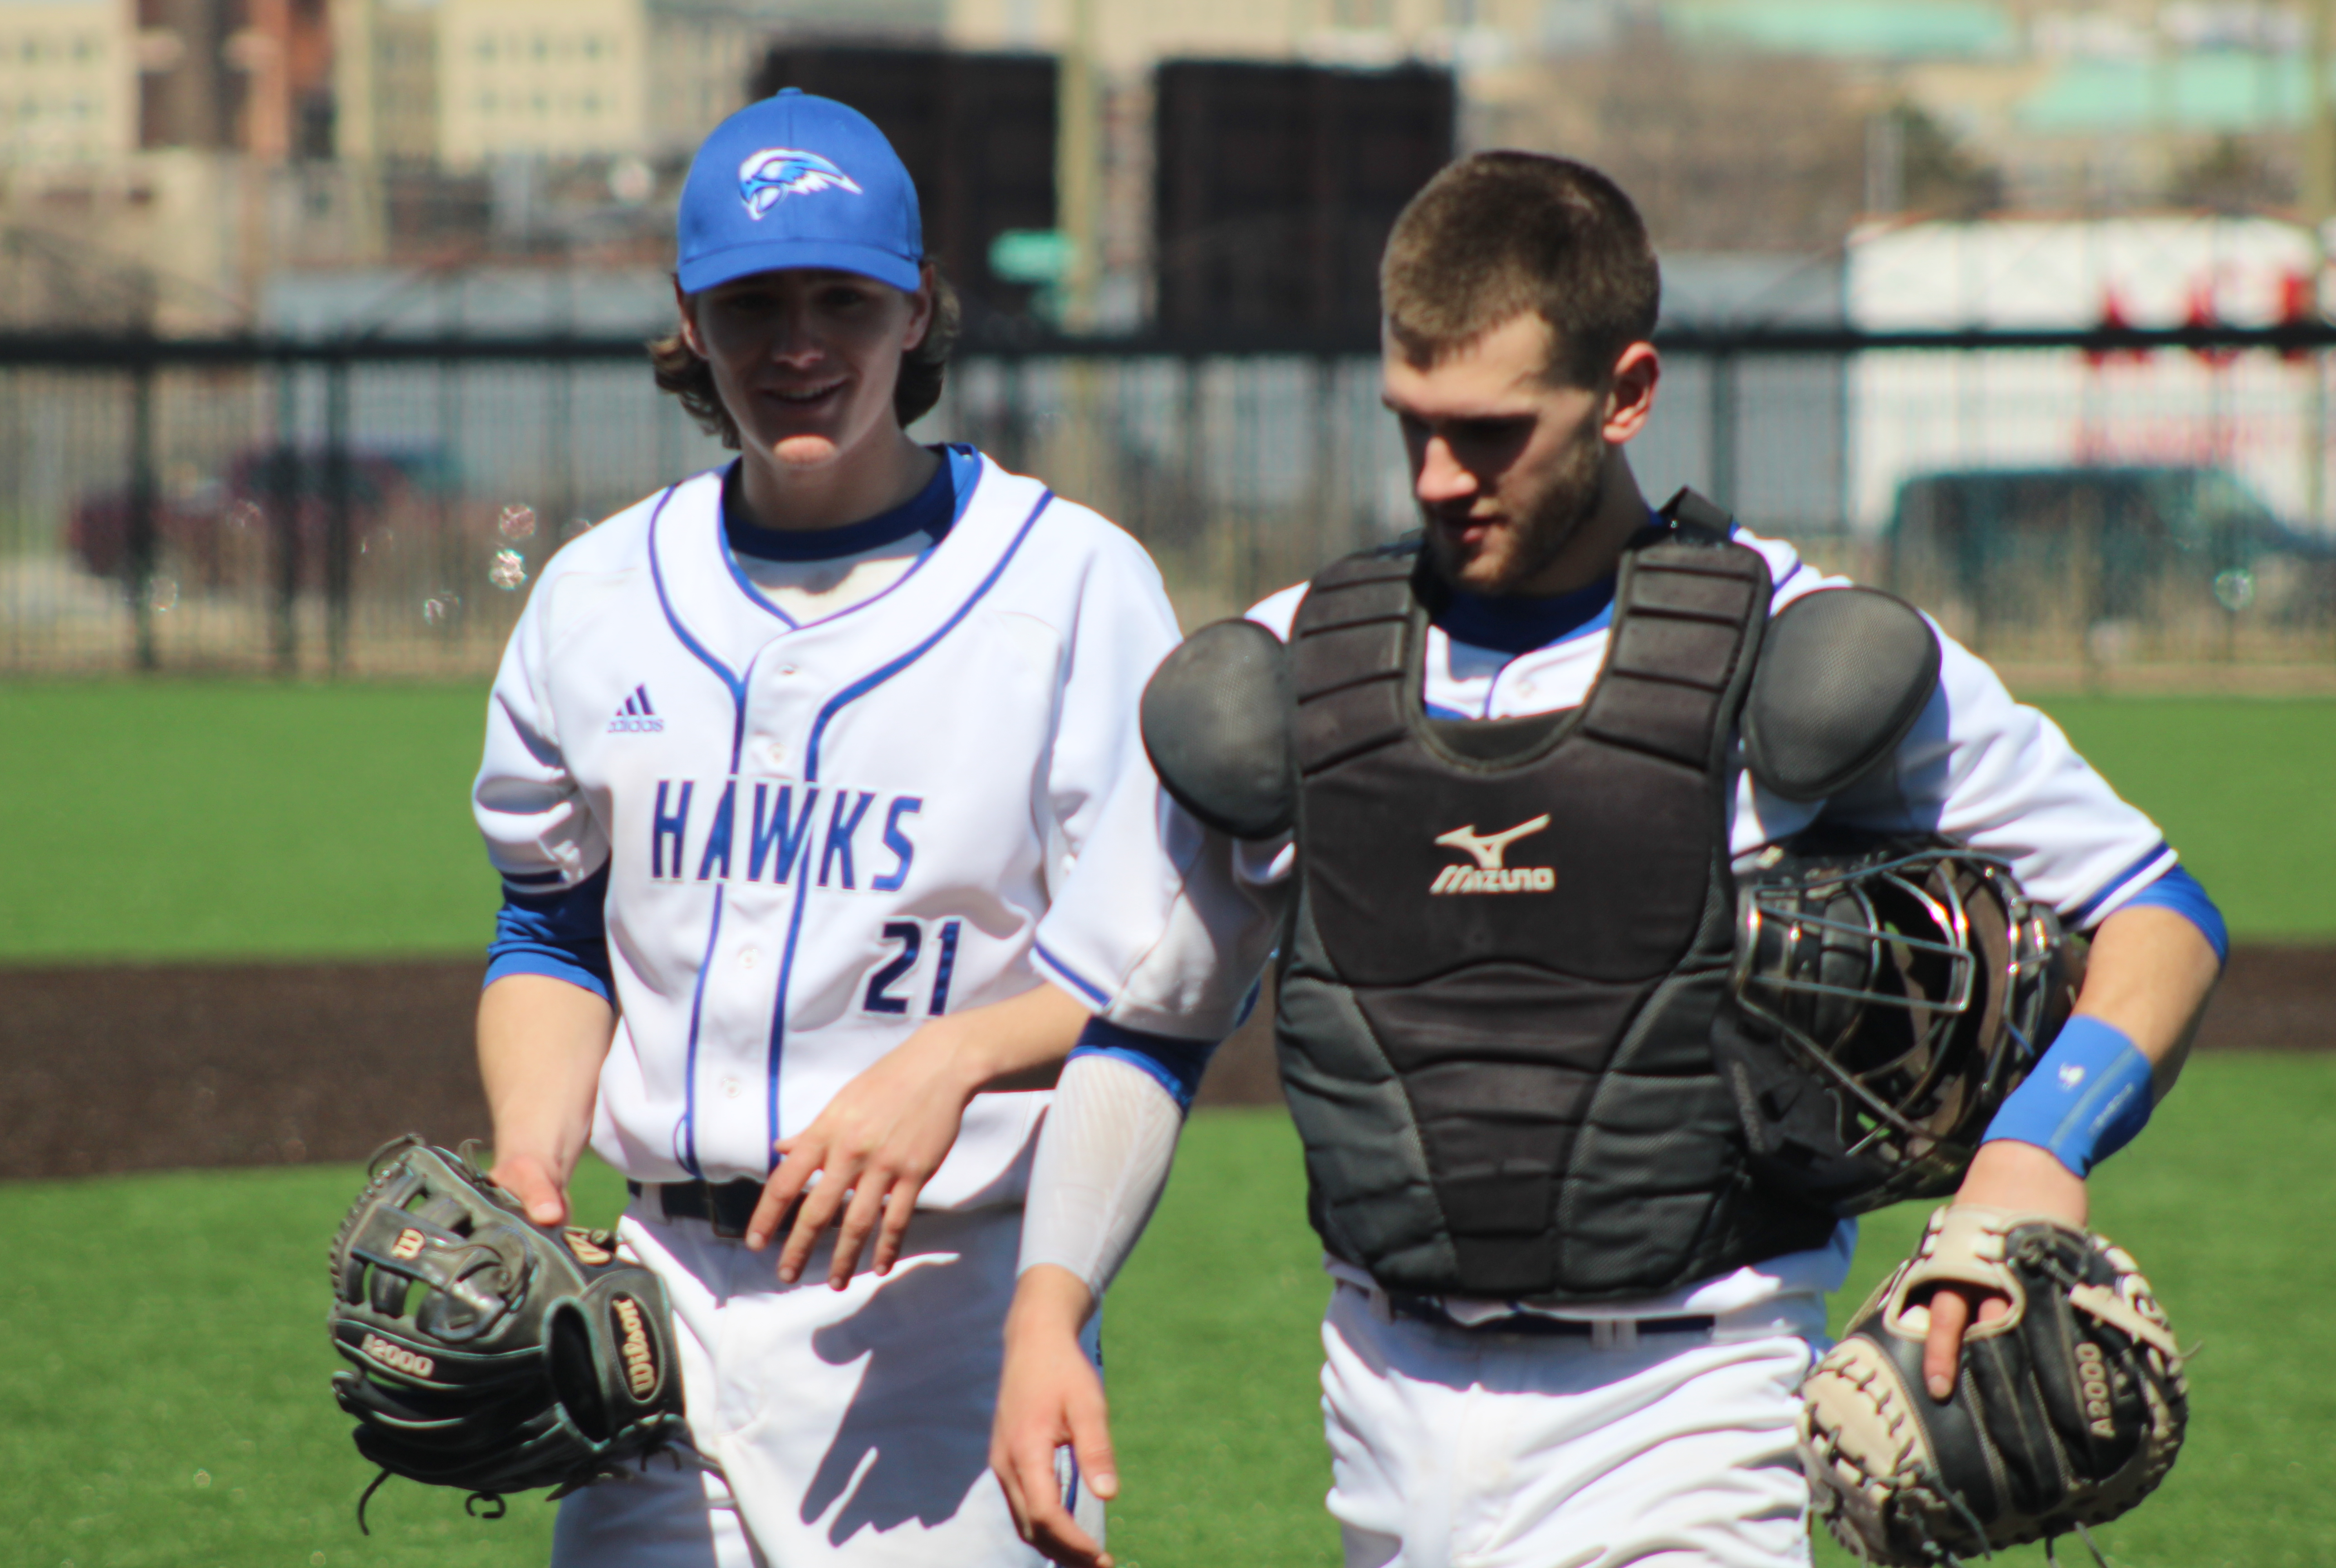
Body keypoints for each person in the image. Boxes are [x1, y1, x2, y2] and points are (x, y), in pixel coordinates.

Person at [989, 152, 2228, 1568]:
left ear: (1627, 392)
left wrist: (2032, 1151)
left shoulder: (1795, 652)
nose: (1441, 478)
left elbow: (2156, 909)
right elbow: (1145, 1030)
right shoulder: (1289, 672)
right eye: (1414, 428)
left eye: (1493, 432)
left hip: (1691, 1406)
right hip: (1379, 1413)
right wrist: (1048, 1313)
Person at [472, 89, 1176, 1567]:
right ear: (688, 317)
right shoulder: (598, 596)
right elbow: (550, 927)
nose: (797, 344)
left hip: (939, 1313)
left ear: (918, 311)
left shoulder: (1072, 587)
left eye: (843, 300)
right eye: (754, 304)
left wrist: (960, 1055)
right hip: (653, 1313)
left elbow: (1158, 970)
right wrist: (533, 1162)